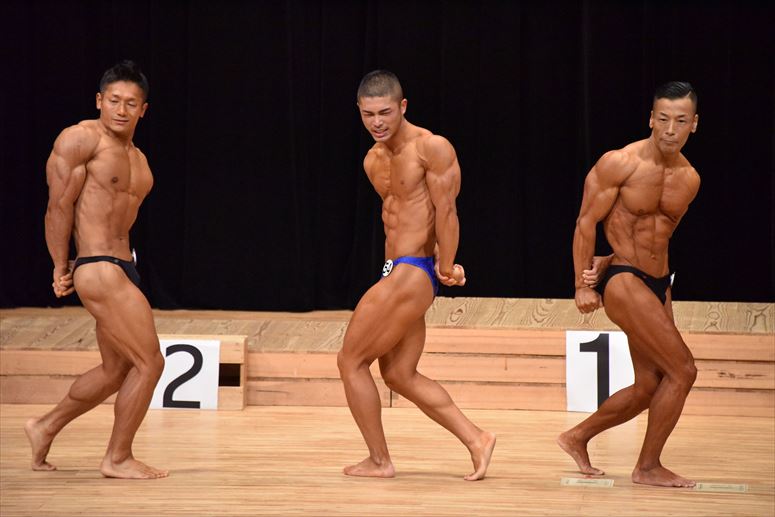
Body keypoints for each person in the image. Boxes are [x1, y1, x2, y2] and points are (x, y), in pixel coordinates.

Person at [337, 70, 496, 481]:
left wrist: (446, 263)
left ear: (403, 106)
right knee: (398, 374)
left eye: (385, 112)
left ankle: (379, 461)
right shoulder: (372, 160)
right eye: (368, 114)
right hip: (396, 269)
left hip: (413, 272)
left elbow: (446, 211)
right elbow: (401, 216)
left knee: (351, 360)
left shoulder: (431, 148)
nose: (377, 122)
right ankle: (477, 439)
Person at [25, 61, 167, 479]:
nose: (122, 110)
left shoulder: (139, 159)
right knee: (150, 363)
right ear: (99, 100)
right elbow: (59, 205)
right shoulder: (81, 138)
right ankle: (117, 458)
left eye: (131, 103)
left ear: (143, 109)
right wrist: (59, 264)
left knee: (115, 370)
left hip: (123, 266)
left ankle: (45, 426)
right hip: (98, 265)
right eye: (114, 101)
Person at [558, 81, 701, 488]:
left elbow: (659, 237)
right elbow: (586, 222)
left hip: (659, 283)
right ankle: (648, 467)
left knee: (648, 385)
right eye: (663, 119)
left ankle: (577, 436)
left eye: (680, 121)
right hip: (624, 283)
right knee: (683, 370)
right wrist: (582, 284)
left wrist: (609, 258)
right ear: (650, 119)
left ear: (694, 124)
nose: (670, 129)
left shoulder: (690, 179)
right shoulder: (619, 163)